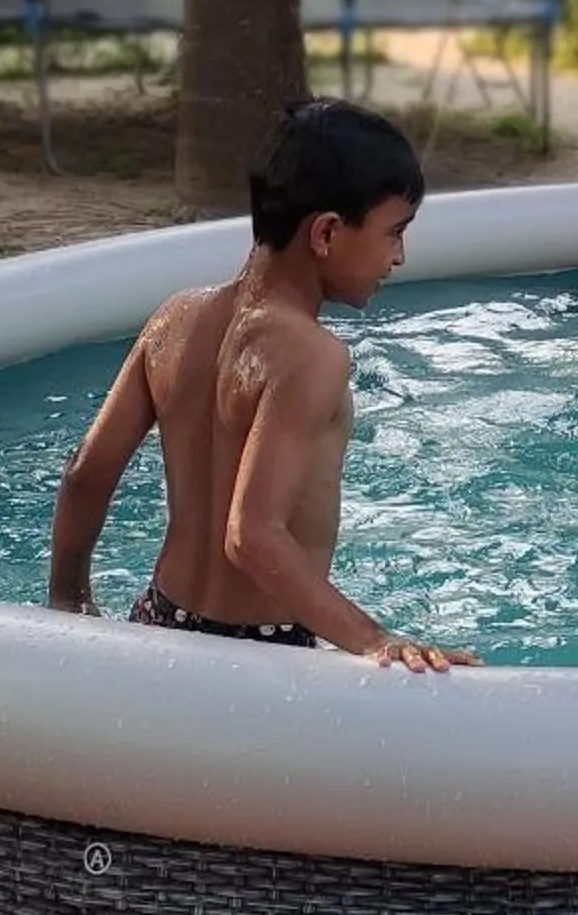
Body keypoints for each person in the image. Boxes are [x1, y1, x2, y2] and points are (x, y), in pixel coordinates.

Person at [47, 97, 473, 670]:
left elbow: (85, 473)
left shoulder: (175, 318)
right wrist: (374, 639)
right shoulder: (312, 354)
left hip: (159, 621)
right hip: (263, 655)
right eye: (394, 232)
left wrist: (69, 600)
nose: (399, 256)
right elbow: (250, 534)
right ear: (326, 232)